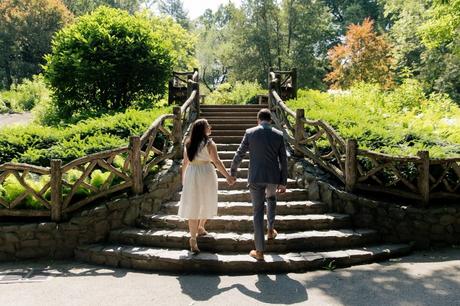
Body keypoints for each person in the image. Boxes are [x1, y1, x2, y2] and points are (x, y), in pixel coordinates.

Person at [230, 108, 288, 261]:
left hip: (256, 177)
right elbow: (284, 160)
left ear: (258, 120)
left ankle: (260, 251)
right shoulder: (279, 134)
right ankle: (270, 229)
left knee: (257, 212)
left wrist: (233, 172)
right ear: (270, 120)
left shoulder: (250, 133)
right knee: (271, 198)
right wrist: (283, 182)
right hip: (273, 177)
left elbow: (239, 153)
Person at [178, 119, 236, 253]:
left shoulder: (188, 143)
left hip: (192, 173)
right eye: (208, 125)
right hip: (206, 172)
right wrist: (227, 176)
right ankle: (200, 226)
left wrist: (183, 179)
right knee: (207, 200)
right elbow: (216, 161)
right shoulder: (209, 143)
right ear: (203, 129)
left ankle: (194, 237)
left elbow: (185, 163)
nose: (210, 127)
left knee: (193, 205)